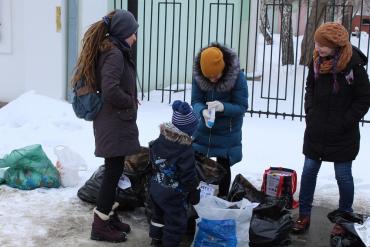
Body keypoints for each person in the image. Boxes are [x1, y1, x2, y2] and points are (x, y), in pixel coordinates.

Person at [292, 22, 370, 234]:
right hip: (316, 130)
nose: (317, 48)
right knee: (308, 172)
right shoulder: (316, 62)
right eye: (316, 43)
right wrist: (310, 111)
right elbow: (310, 87)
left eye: (322, 44)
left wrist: (345, 122)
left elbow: (364, 99)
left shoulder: (353, 67)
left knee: (343, 176)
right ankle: (304, 216)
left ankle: (344, 220)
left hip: (343, 134)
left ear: (336, 45)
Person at [71, 9, 140, 242]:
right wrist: (128, 100)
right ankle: (100, 225)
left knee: (116, 171)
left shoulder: (113, 49)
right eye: (133, 32)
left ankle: (109, 215)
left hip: (113, 121)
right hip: (114, 122)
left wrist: (128, 97)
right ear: (123, 32)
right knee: (112, 173)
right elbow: (110, 89)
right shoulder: (115, 54)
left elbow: (112, 85)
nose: (135, 37)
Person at [191, 43, 249, 197]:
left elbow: (241, 106)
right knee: (198, 165)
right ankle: (198, 198)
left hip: (227, 131)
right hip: (204, 128)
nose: (212, 79)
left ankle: (222, 197)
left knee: (222, 166)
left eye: (215, 75)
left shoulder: (237, 78)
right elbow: (195, 101)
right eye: (208, 77)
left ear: (223, 67)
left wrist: (223, 107)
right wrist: (202, 111)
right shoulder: (199, 76)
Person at [148, 100, 200, 247]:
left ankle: (155, 240)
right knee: (175, 222)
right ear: (187, 130)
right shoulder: (185, 148)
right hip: (173, 194)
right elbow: (188, 174)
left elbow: (153, 159)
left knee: (158, 216)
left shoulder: (161, 139)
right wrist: (193, 190)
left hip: (156, 187)